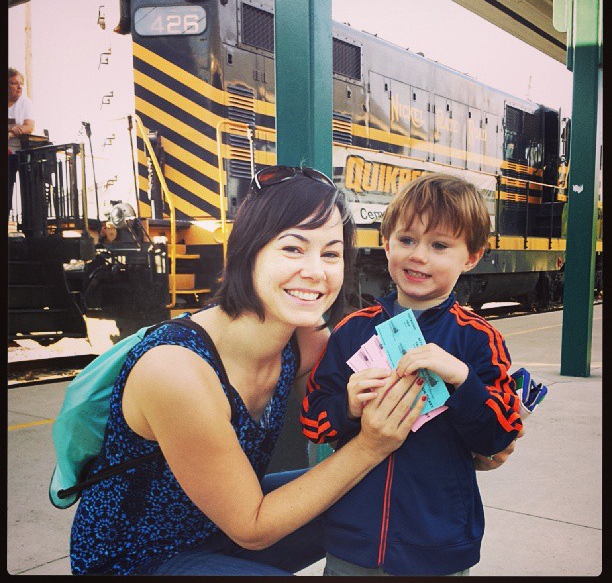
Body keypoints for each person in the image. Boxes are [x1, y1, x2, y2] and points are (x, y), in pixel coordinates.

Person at [69, 165, 429, 576]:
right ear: (248, 250)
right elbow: (252, 528)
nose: (316, 271)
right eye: (293, 248)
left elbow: (410, 385)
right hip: (137, 560)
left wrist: (483, 433)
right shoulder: (176, 370)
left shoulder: (305, 341)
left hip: (214, 529)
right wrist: (370, 446)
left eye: (331, 253)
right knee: (365, 466)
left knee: (379, 490)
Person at [301, 172, 524, 576]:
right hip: (353, 542)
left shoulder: (478, 339)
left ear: (471, 257)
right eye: (406, 240)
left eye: (439, 245)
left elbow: (498, 436)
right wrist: (347, 406)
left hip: (438, 545)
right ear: (386, 244)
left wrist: (462, 381)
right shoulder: (353, 330)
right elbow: (313, 420)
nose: (418, 255)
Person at [8, 67, 35, 216]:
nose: (19, 87)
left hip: (21, 153)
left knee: (28, 188)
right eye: (14, 83)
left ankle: (30, 221)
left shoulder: (25, 103)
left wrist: (12, 133)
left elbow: (29, 126)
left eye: (21, 84)